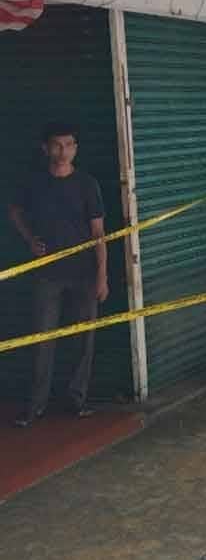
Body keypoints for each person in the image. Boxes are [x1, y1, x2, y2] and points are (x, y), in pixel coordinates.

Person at [7, 121, 109, 428]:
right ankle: (35, 407)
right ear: (45, 148)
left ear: (76, 149)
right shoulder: (35, 183)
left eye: (69, 145)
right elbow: (14, 211)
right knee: (42, 341)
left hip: (84, 274)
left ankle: (77, 401)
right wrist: (29, 239)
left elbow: (99, 233)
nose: (63, 151)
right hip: (47, 274)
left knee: (83, 341)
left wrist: (102, 275)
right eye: (57, 145)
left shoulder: (87, 184)